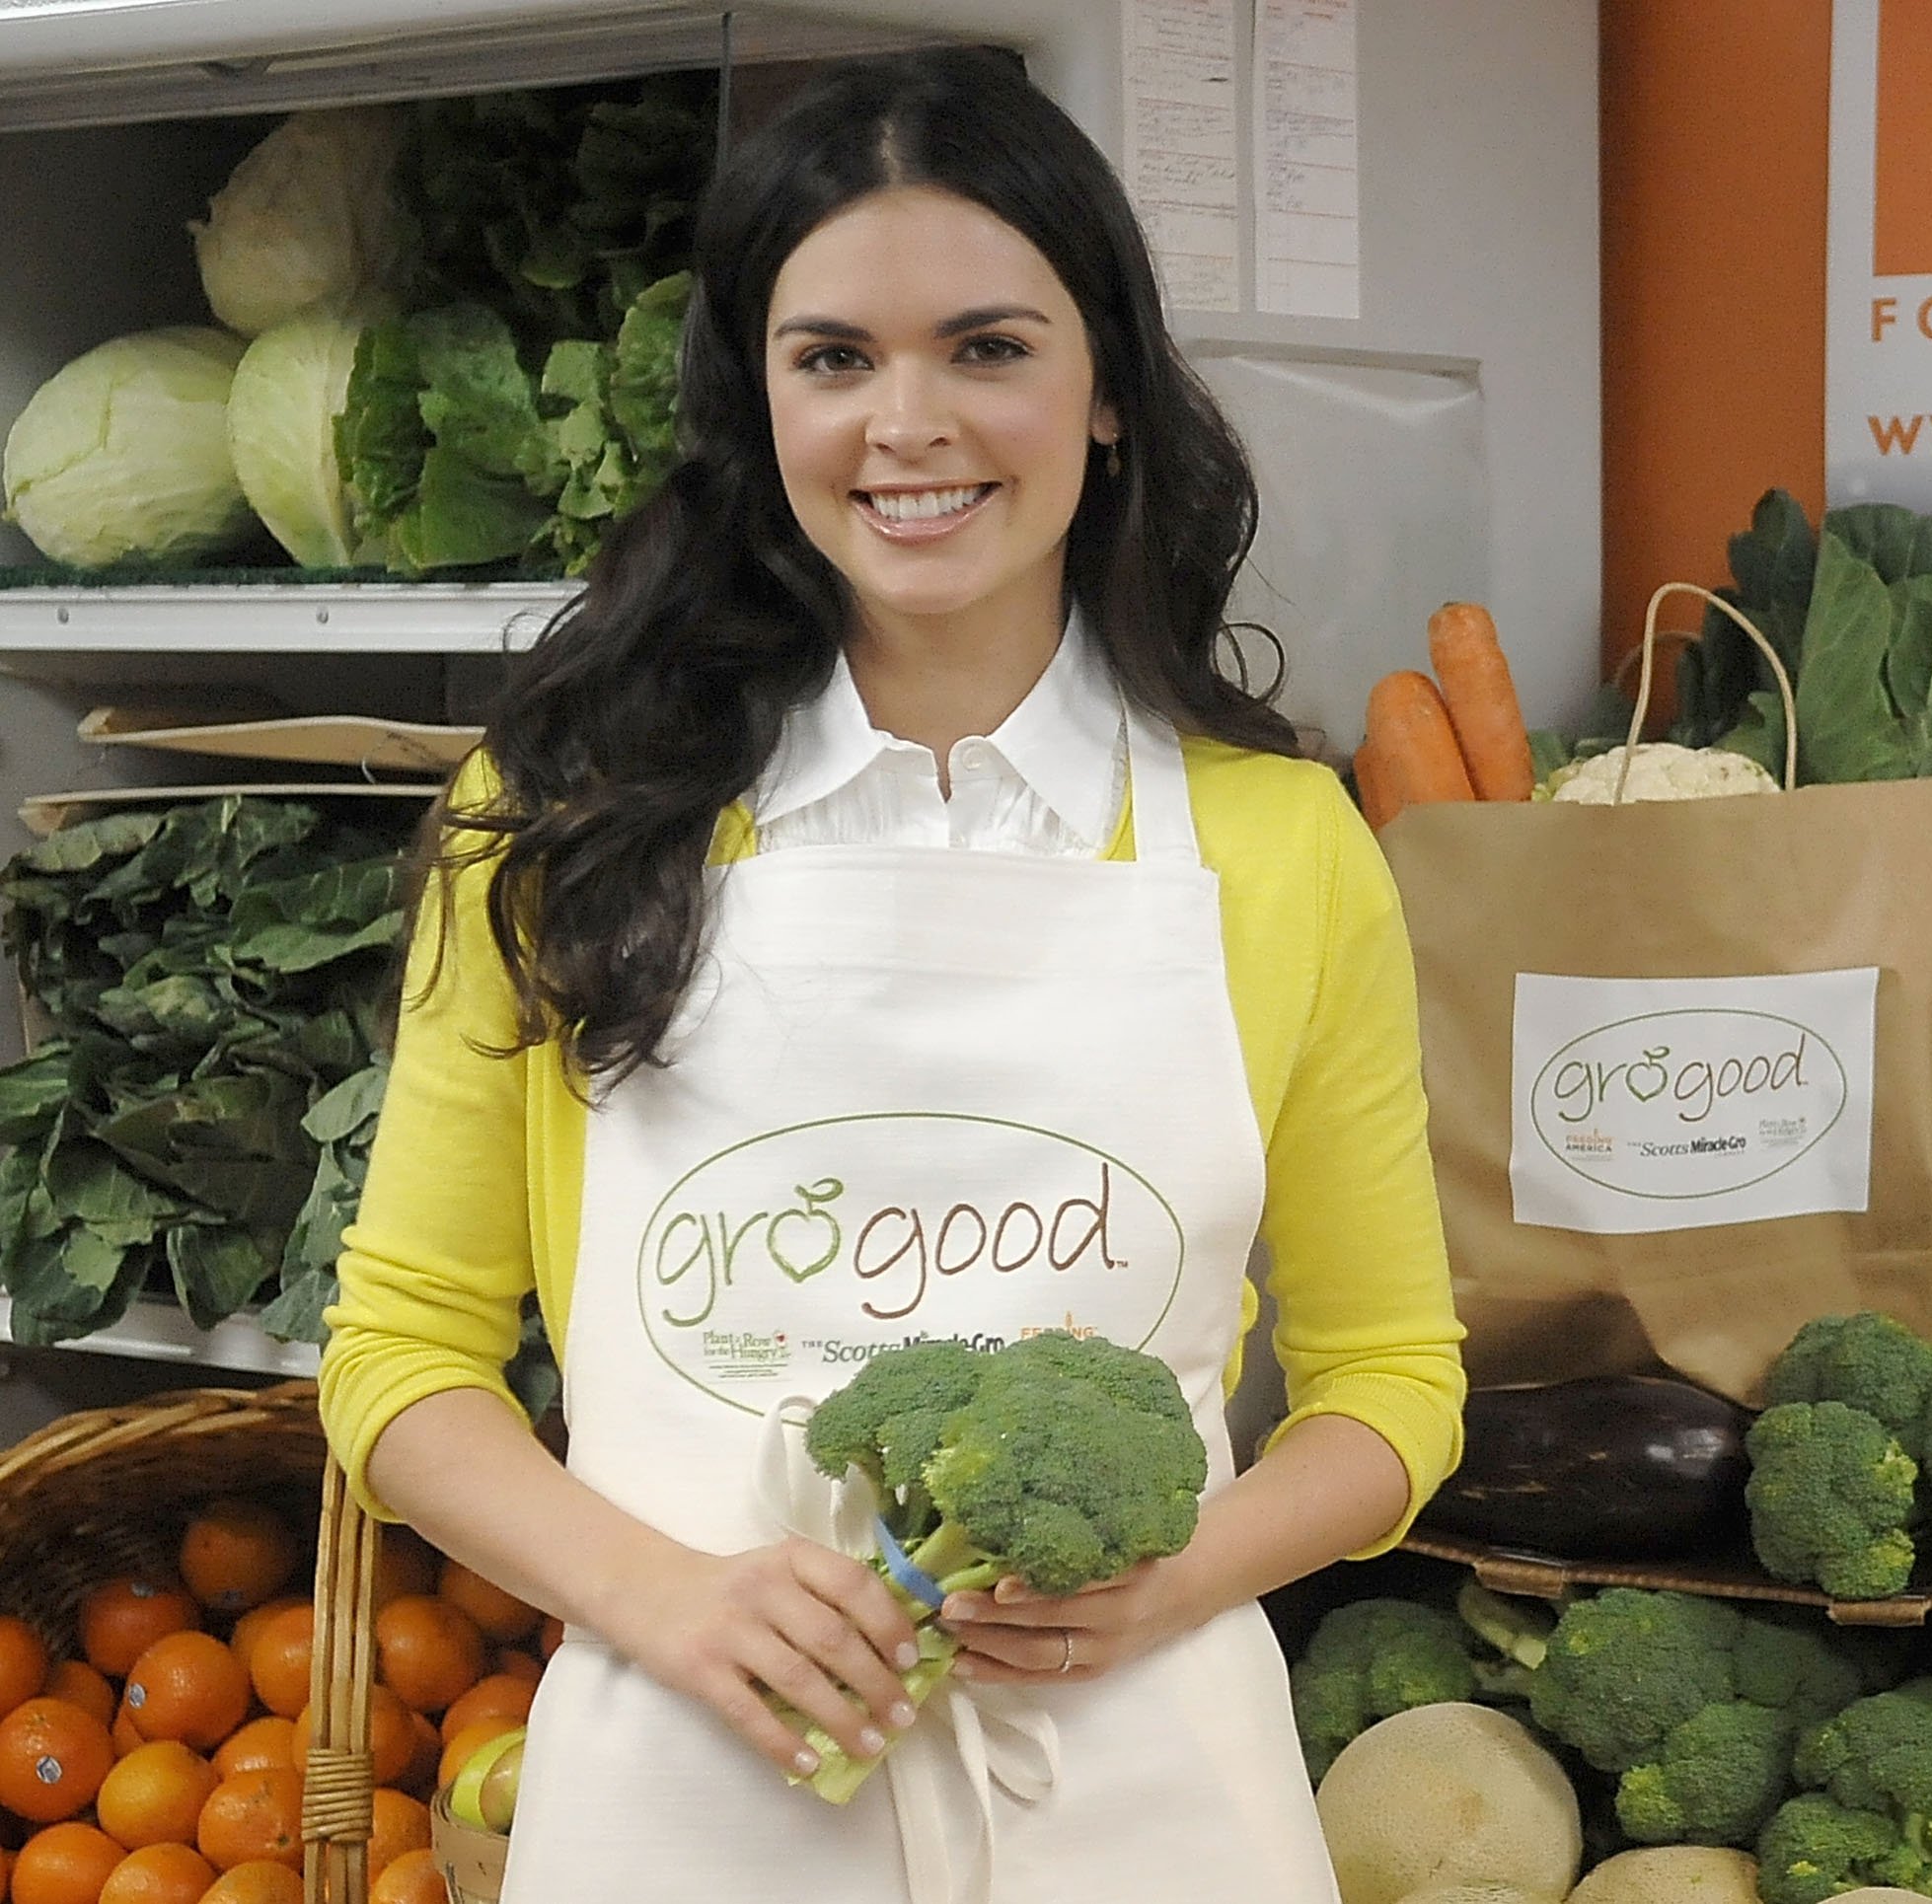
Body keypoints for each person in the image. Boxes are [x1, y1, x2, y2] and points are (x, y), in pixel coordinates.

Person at [317, 49, 1465, 1902]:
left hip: (1152, 1787)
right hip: (691, 1788)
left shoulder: (1283, 843)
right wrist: (674, 1600)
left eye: (989, 347)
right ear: (755, 402)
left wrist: (1172, 1576)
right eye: (834, 357)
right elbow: (398, 1362)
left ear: (1106, 393)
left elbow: (1392, 1383)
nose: (906, 423)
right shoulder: (563, 816)